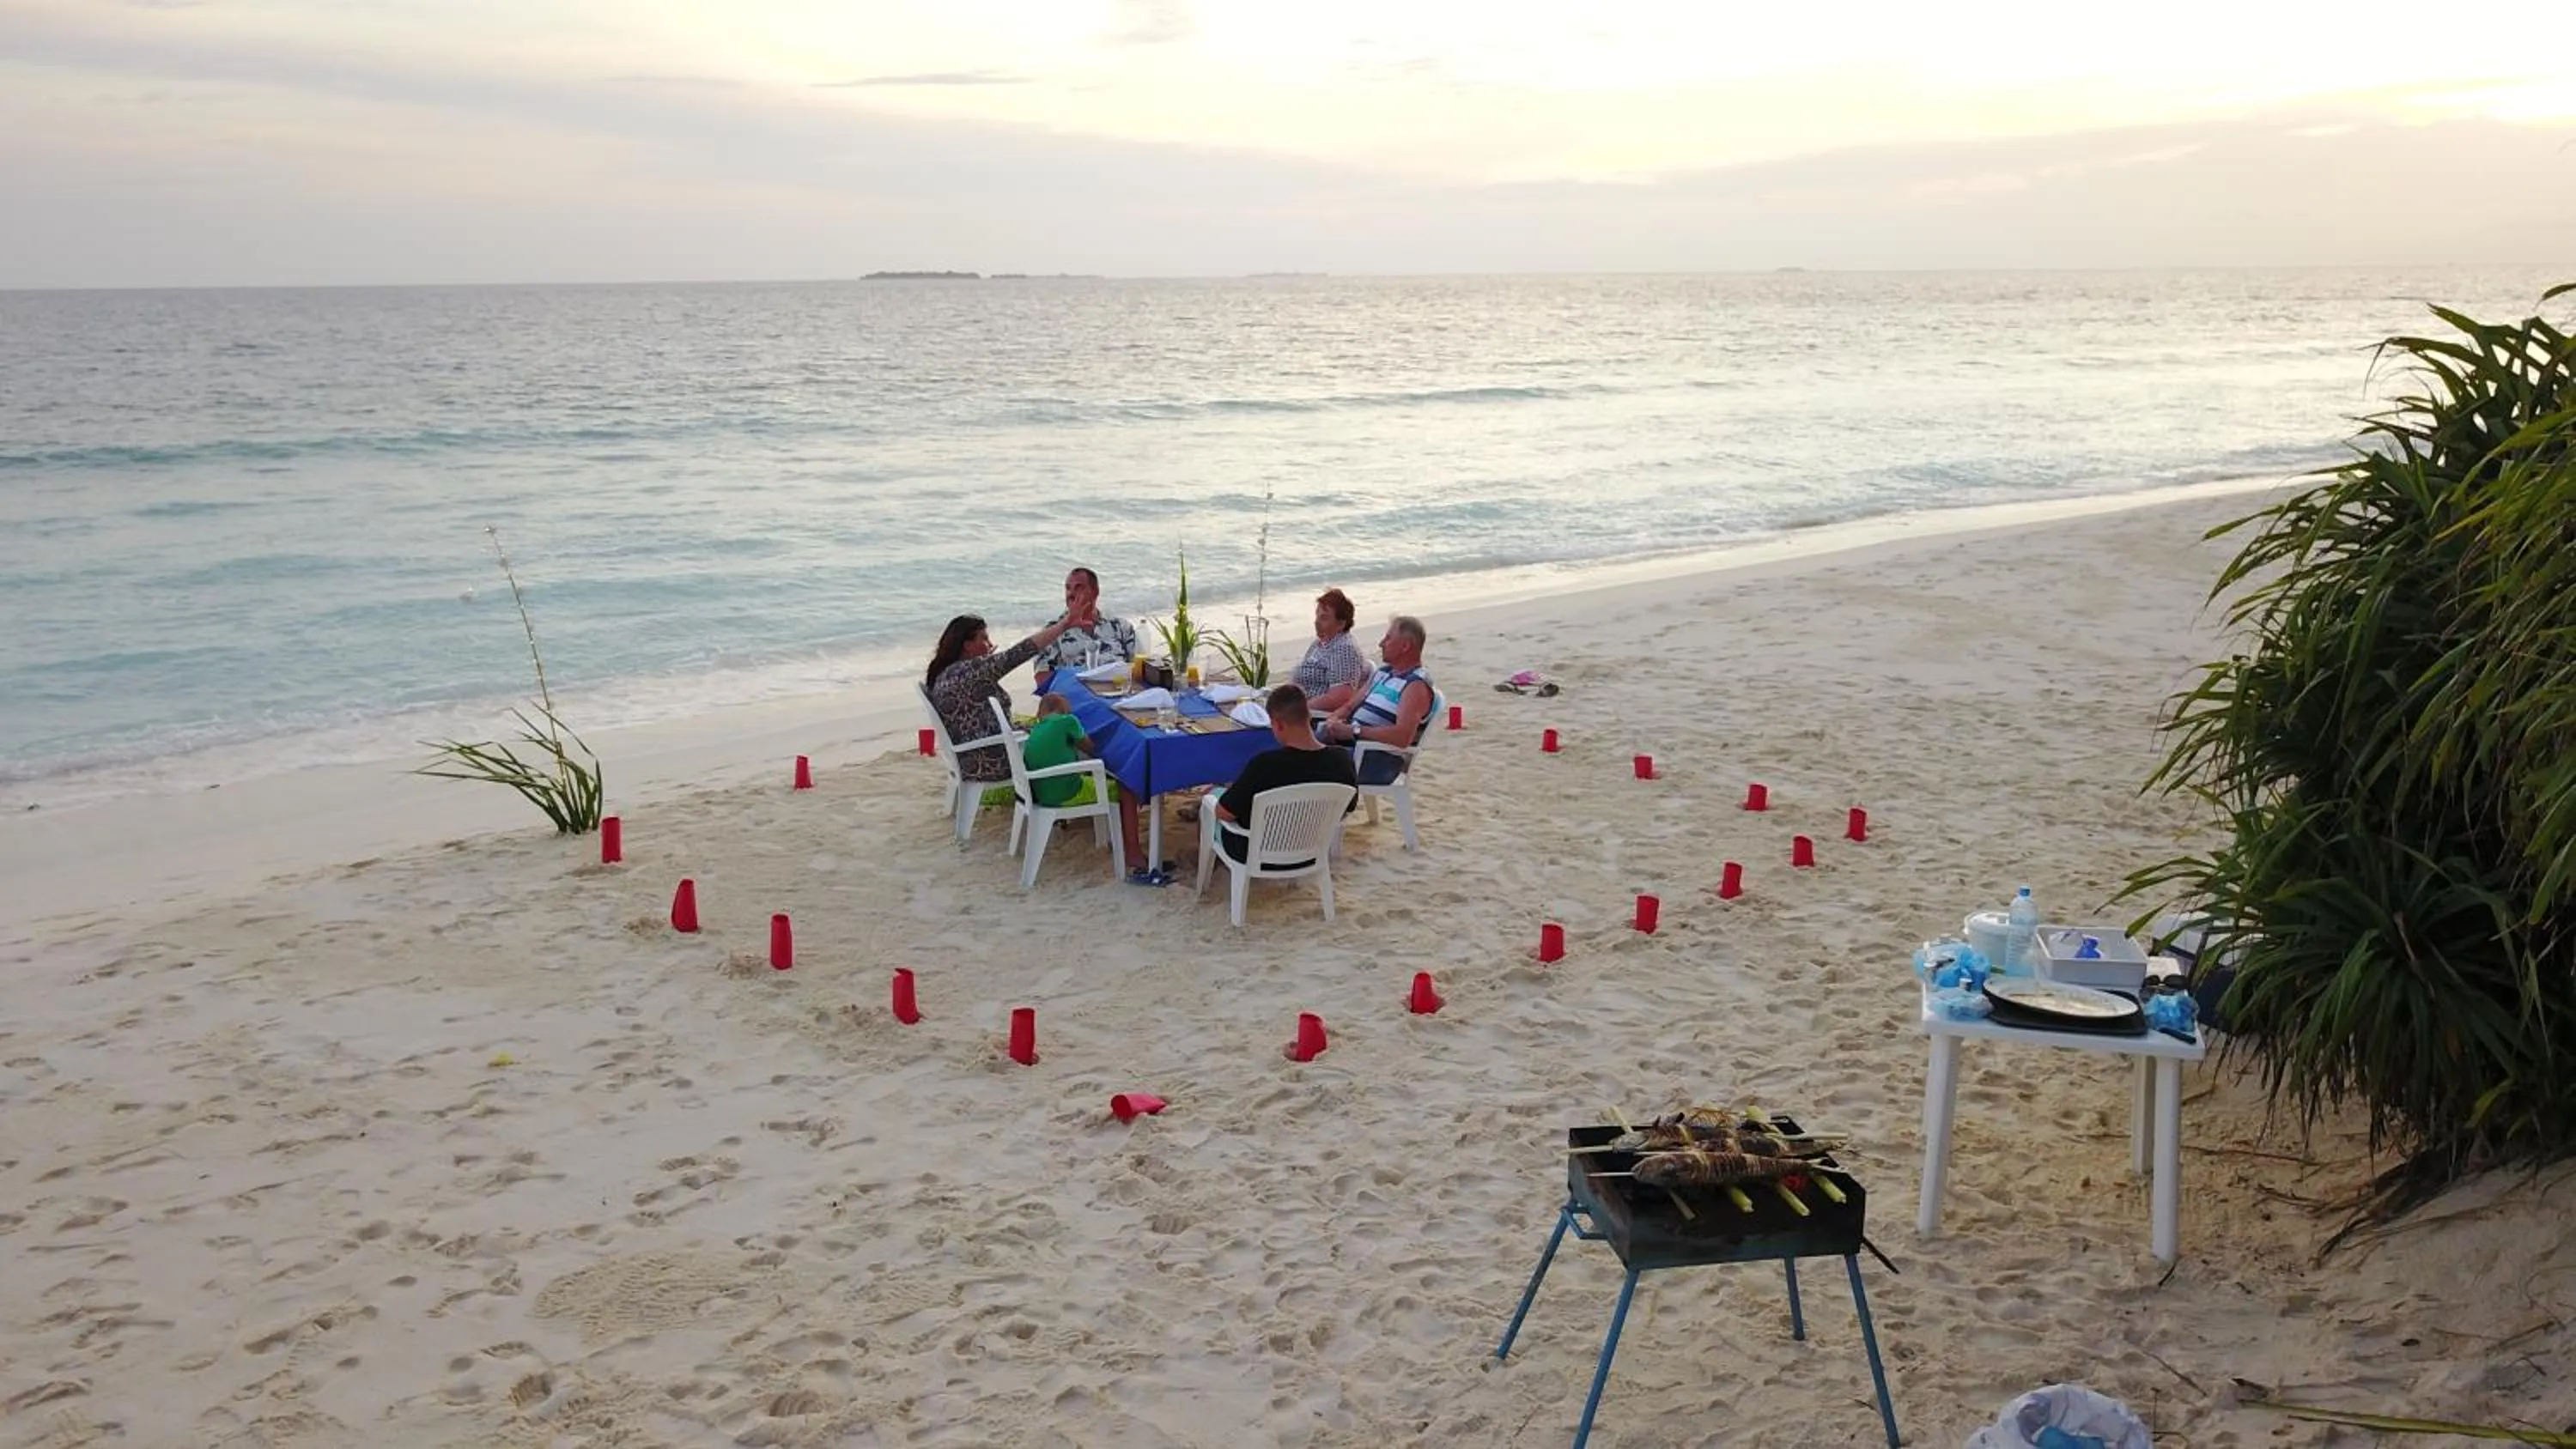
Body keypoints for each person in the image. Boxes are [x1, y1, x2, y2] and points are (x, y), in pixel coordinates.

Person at [925, 609, 1087, 786]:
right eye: (984, 639)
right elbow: (1021, 651)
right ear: (967, 645)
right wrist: (1063, 625)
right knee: (1068, 736)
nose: (990, 643)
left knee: (1044, 723)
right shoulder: (975, 670)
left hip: (969, 757)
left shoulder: (947, 673)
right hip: (991, 760)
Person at [1208, 683, 1357, 866]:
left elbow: (1225, 813)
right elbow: (1348, 807)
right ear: (1309, 717)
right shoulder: (1342, 759)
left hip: (1254, 853)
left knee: (1211, 800)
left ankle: (1208, 864)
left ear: (1278, 725)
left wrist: (1215, 794)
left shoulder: (1265, 764)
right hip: (1312, 852)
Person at [1020, 693, 1149, 868]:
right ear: (1064, 711)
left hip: (1040, 792)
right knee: (1127, 786)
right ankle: (1132, 852)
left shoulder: (1036, 729)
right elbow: (1090, 747)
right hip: (1066, 793)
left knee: (1093, 769)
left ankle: (1114, 836)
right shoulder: (1068, 721)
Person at [1317, 615, 1434, 786]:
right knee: (1293, 746)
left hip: (1377, 760)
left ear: (1405, 646)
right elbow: (1349, 706)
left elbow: (1403, 737)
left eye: (1388, 638)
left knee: (1305, 764)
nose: (1381, 643)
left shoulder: (1415, 685)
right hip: (1352, 747)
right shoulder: (1383, 673)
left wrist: (1354, 731)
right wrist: (1333, 720)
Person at [1034, 567, 1140, 682]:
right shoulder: (1052, 632)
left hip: (1120, 693)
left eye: (1079, 588)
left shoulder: (1120, 627)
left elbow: (1141, 667)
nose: (1071, 593)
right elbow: (1042, 679)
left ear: (1095, 592)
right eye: (1068, 588)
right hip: (1076, 695)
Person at [1287, 587, 1373, 713]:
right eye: (1317, 616)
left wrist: (1298, 709)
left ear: (1341, 624)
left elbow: (1340, 698)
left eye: (1324, 618)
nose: (1316, 622)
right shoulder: (1319, 644)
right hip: (1303, 707)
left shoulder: (1344, 648)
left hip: (1317, 717)